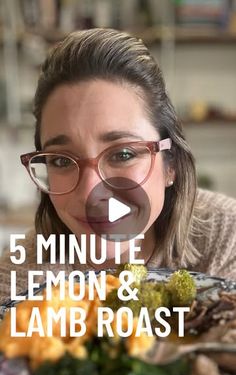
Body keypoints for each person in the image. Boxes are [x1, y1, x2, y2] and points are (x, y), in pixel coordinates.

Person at [0, 28, 236, 304]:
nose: (90, 192)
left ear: (170, 164)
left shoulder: (226, 238)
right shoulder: (19, 286)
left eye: (123, 154)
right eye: (61, 160)